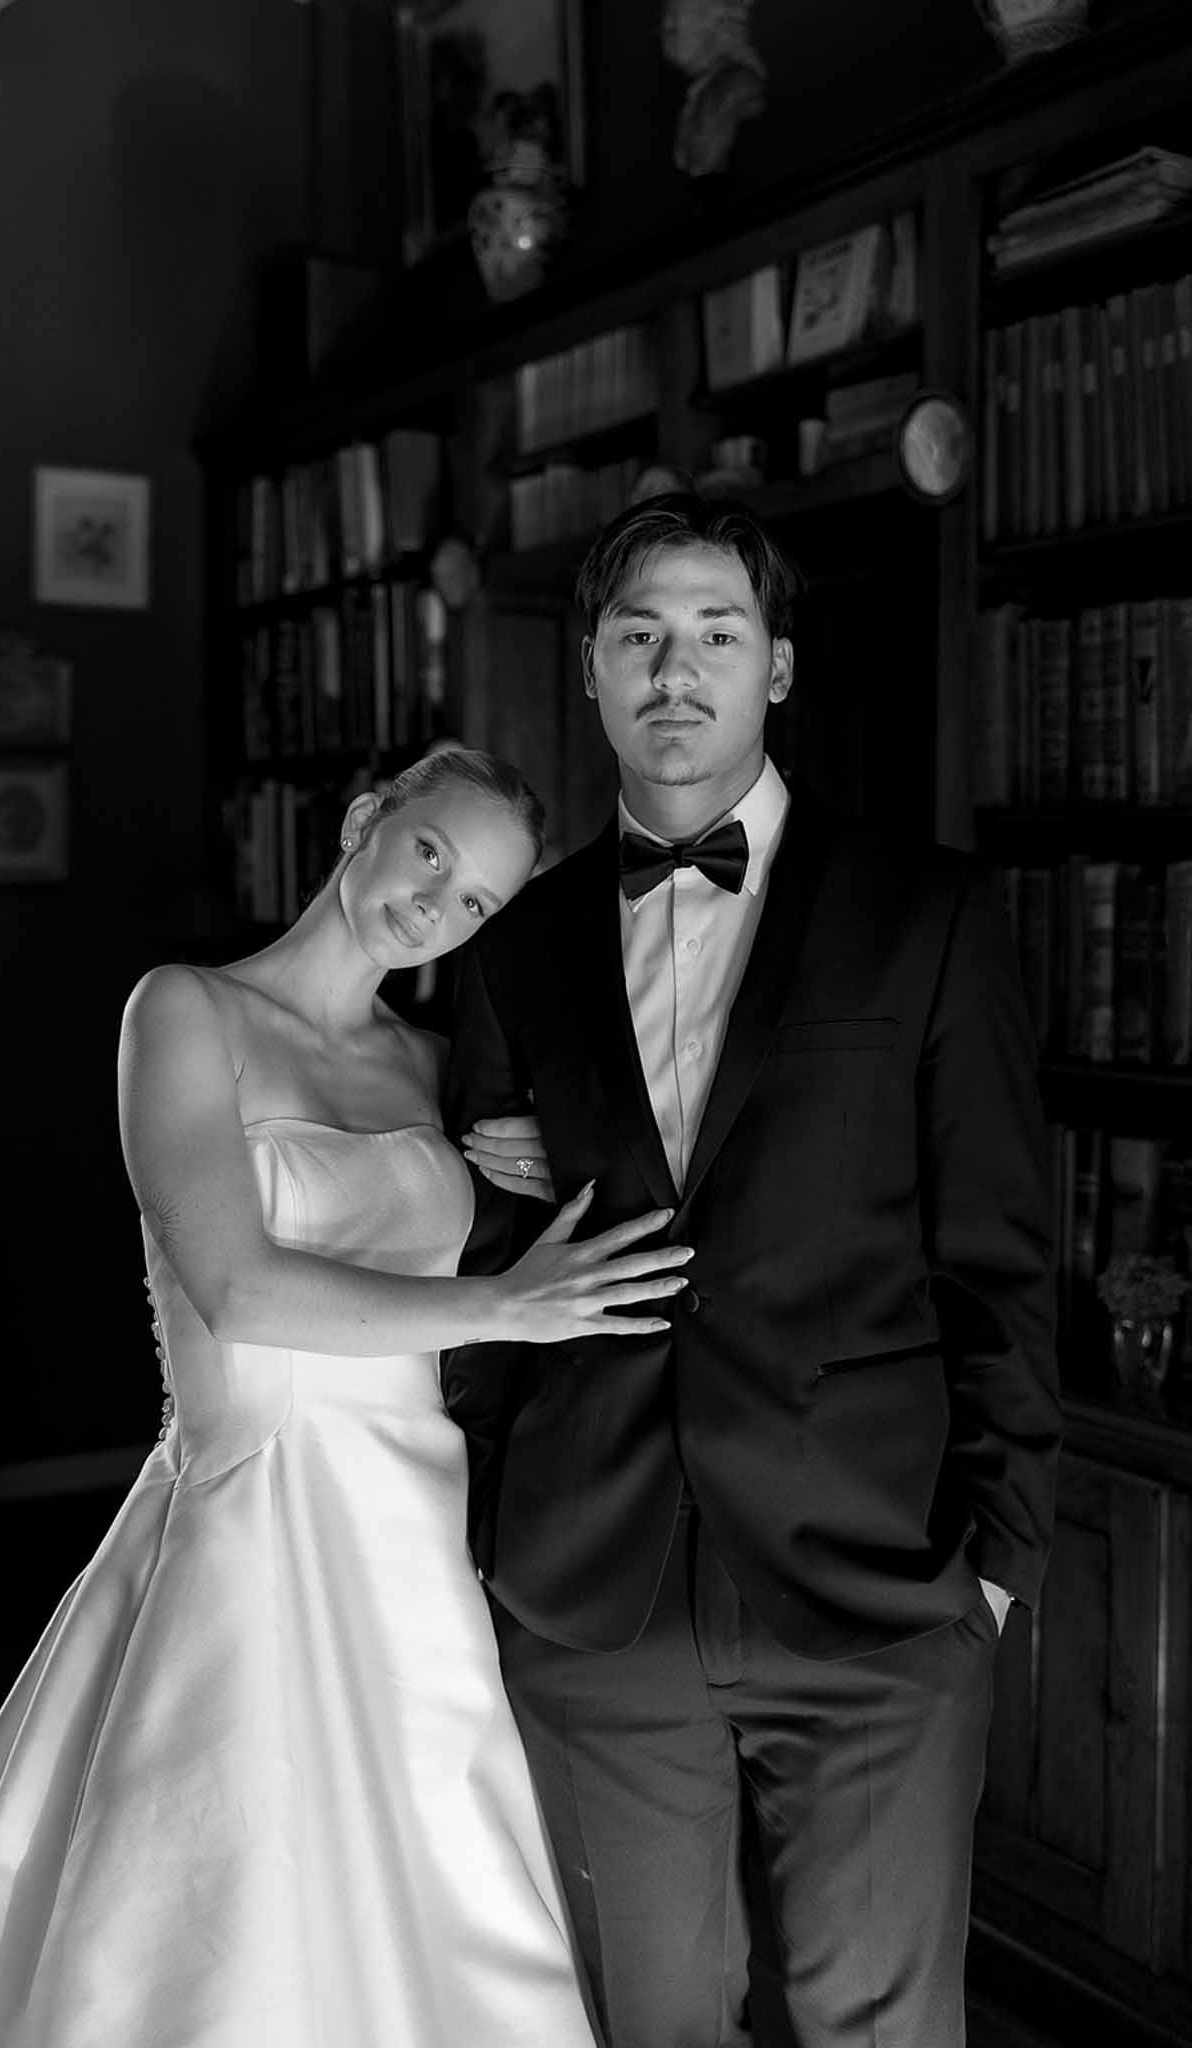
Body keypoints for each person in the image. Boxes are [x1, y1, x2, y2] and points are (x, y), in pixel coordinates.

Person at [0, 746, 695, 2048]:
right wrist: (504, 1304)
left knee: (435, 1886)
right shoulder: (186, 1012)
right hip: (252, 1504)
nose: (435, 907)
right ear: (363, 821)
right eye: (428, 853)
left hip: (414, 1533)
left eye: (475, 902)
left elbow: (541, 1216)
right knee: (224, 1898)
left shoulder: (435, 1064)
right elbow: (233, 1287)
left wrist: (535, 1165)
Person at [442, 495, 1062, 2048]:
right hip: (596, 1592)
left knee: (878, 2029)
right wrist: (500, 1526)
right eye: (639, 635)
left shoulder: (927, 914)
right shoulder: (511, 949)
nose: (676, 670)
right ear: (589, 668)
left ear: (776, 667)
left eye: (716, 634)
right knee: (650, 2029)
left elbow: (996, 1248)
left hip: (875, 1581)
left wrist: (994, 1558)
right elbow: (492, 1272)